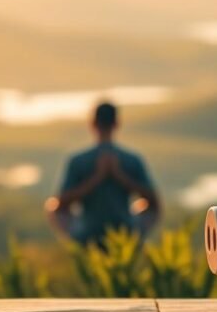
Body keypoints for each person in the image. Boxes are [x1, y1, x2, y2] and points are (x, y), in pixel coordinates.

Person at [46, 101, 160, 247]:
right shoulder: (131, 159)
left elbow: (61, 204)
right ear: (117, 124)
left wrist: (102, 177)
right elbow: (154, 203)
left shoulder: (78, 160)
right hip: (126, 232)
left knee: (52, 208)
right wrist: (112, 176)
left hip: (87, 235)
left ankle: (75, 244)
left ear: (93, 124)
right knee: (149, 210)